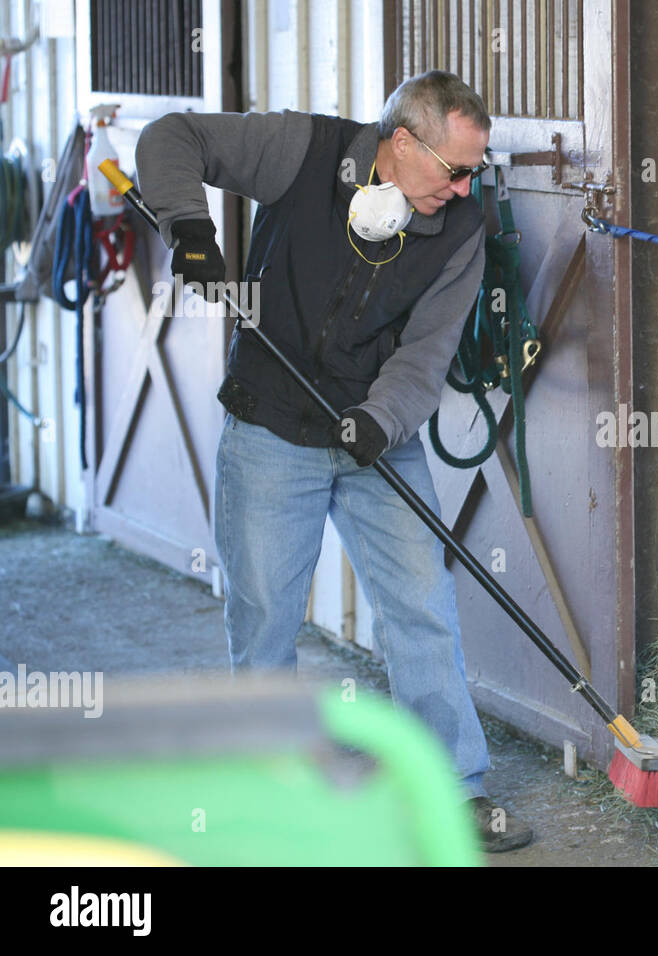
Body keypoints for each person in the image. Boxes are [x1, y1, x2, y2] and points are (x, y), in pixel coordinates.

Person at [136, 70, 533, 853]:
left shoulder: (462, 233)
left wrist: (378, 422)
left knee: (422, 609)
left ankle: (456, 791)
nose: (462, 189)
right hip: (270, 431)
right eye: (455, 170)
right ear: (402, 141)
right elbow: (170, 137)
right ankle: (271, 793)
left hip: (376, 443)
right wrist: (189, 226)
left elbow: (425, 357)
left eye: (474, 173)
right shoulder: (303, 151)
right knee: (264, 621)